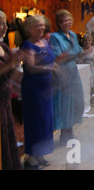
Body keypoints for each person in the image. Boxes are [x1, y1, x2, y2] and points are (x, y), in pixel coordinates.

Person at [20, 15, 57, 169]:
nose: (41, 28)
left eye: (42, 25)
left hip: (46, 88)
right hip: (33, 89)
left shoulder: (45, 42)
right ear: (29, 28)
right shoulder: (28, 45)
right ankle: (31, 157)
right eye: (37, 26)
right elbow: (30, 68)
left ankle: (40, 153)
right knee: (35, 121)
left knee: (45, 121)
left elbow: (52, 60)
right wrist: (49, 68)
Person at [49, 9, 85, 145]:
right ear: (59, 23)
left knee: (75, 102)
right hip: (62, 74)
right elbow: (57, 57)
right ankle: (64, 133)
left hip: (73, 72)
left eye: (69, 20)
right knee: (64, 103)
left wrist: (89, 51)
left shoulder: (74, 35)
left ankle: (70, 130)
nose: (67, 23)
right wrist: (71, 53)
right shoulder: (55, 37)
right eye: (64, 21)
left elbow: (79, 52)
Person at [0, 10, 23, 170]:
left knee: (7, 136)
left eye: (4, 23)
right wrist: (11, 63)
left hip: (5, 99)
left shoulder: (3, 46)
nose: (2, 27)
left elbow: (10, 73)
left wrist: (17, 63)